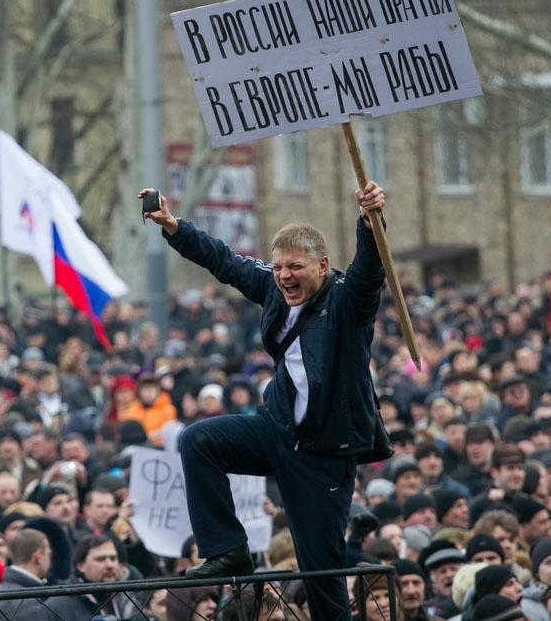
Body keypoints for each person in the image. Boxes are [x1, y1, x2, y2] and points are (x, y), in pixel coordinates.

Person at [139, 181, 387, 621]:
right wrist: (175, 227)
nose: (284, 277)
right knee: (198, 441)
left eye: (295, 267)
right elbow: (225, 261)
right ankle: (229, 551)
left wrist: (370, 219)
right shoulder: (273, 287)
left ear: (322, 265)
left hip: (323, 454)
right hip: (276, 430)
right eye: (277, 268)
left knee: (322, 574)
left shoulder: (349, 302)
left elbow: (370, 271)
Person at [0, 529, 53, 621]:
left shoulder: (5, 589)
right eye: (49, 554)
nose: (50, 561)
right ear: (39, 556)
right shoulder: (28, 603)